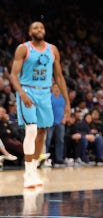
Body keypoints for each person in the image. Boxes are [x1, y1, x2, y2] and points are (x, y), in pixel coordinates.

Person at [9, 21, 71, 188]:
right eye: (36, 27)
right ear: (30, 32)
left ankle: (34, 169)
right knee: (31, 130)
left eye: (42, 27)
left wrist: (67, 102)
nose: (39, 30)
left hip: (45, 92)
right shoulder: (23, 48)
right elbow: (13, 75)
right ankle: (28, 173)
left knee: (42, 132)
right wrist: (21, 93)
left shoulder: (52, 50)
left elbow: (59, 77)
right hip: (27, 91)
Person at [46, 84, 66, 167]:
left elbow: (66, 109)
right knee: (47, 140)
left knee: (60, 141)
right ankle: (45, 158)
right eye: (55, 87)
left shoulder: (63, 98)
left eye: (58, 87)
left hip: (60, 122)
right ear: (52, 88)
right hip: (50, 122)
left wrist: (65, 118)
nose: (57, 89)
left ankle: (59, 159)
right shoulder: (49, 97)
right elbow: (46, 109)